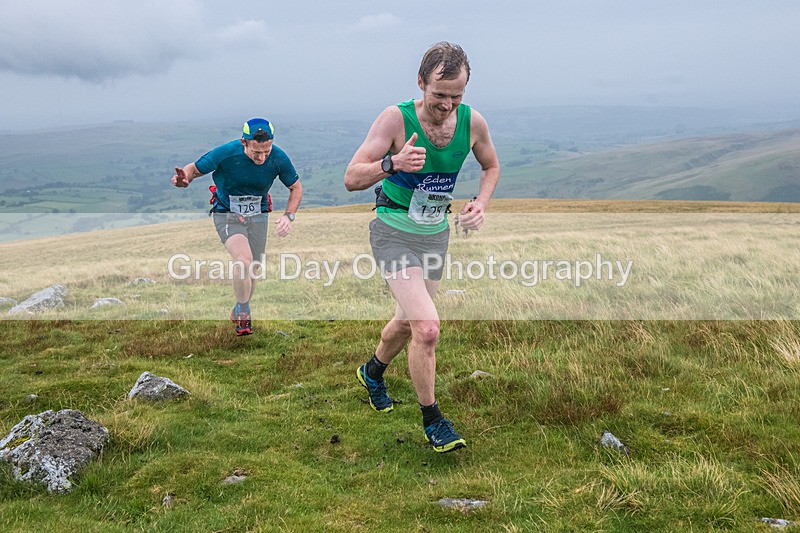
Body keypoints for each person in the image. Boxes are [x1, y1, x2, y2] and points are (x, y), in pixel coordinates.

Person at [344, 42, 500, 453]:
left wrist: (479, 204)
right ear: (420, 83)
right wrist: (392, 164)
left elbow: (491, 166)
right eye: (439, 96)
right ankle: (434, 421)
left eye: (456, 96)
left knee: (409, 321)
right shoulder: (395, 118)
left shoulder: (472, 122)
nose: (447, 105)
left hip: (435, 233)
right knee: (428, 328)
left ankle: (372, 371)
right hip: (393, 229)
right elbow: (351, 177)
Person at [172, 118, 303, 336]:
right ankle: (244, 314)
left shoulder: (279, 157)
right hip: (226, 212)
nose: (261, 158)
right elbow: (193, 169)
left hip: (258, 214)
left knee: (254, 268)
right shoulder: (227, 152)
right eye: (256, 152)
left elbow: (296, 187)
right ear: (244, 142)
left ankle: (239, 306)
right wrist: (184, 179)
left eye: (266, 152)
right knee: (243, 261)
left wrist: (289, 216)